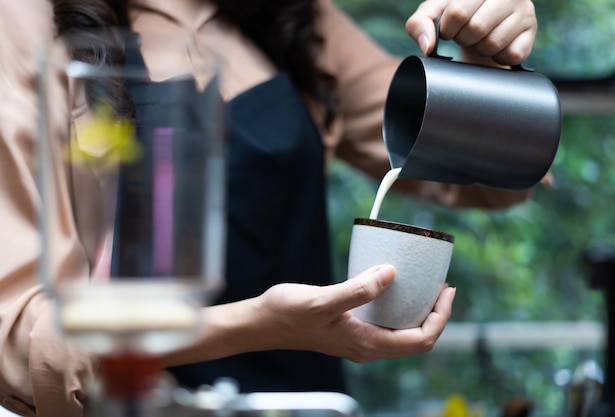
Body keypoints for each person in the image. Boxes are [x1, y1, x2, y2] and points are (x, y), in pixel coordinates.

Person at [0, 0, 542, 416]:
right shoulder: (24, 22)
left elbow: (498, 179)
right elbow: (22, 339)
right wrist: (258, 324)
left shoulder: (294, 16)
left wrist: (486, 62)